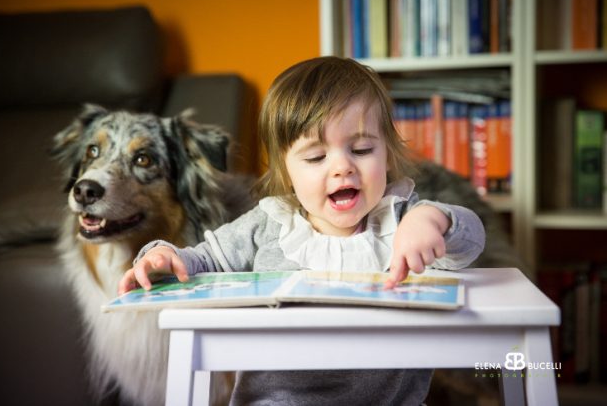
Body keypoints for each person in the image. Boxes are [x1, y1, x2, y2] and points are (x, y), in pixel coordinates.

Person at [119, 56, 485, 405]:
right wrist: (164, 256)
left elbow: (470, 242)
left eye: (361, 149)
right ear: (287, 170)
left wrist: (435, 221)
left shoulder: (401, 216)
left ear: (387, 154)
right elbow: (203, 259)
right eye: (315, 157)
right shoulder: (269, 225)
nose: (342, 167)